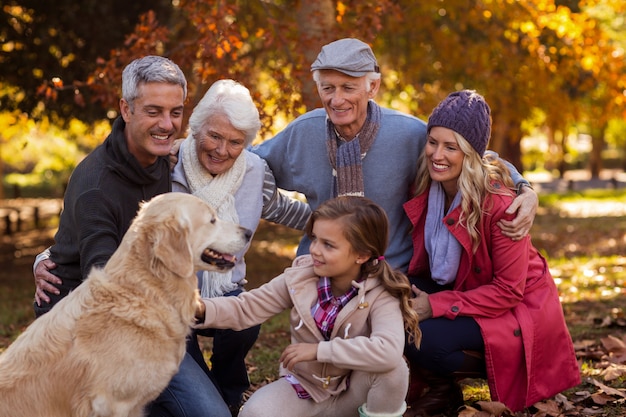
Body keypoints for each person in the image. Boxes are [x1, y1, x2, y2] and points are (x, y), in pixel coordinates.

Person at [31, 57, 234, 417]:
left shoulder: (162, 158)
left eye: (176, 112)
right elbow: (108, 290)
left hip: (153, 319)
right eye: (153, 111)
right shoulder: (96, 186)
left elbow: (235, 151)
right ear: (126, 108)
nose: (167, 124)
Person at [250, 38, 538, 274]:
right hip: (316, 268)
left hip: (390, 274)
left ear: (372, 87)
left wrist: (524, 188)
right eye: (328, 88)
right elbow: (250, 164)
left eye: (348, 87)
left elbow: (472, 154)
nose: (336, 100)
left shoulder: (409, 133)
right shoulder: (303, 132)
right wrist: (301, 218)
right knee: (306, 343)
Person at [402, 90, 580, 416]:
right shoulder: (429, 188)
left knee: (421, 337)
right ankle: (443, 390)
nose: (437, 154)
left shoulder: (499, 206)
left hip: (515, 310)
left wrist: (435, 305)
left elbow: (510, 290)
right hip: (467, 291)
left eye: (451, 147)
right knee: (392, 301)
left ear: (470, 153)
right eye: (432, 142)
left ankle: (467, 375)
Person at [151, 79, 311, 417]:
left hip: (225, 288)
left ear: (246, 143)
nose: (222, 150)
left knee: (245, 322)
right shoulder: (166, 165)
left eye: (235, 141)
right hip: (169, 295)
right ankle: (199, 391)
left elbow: (281, 208)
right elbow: (117, 215)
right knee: (192, 380)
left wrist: (335, 223)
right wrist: (49, 255)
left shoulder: (254, 171)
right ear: (196, 129)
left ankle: (229, 390)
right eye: (215, 136)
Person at [193, 196, 421, 417]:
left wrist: (318, 351)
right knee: (255, 413)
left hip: (355, 393)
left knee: (394, 370)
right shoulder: (300, 279)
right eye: (314, 239)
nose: (314, 250)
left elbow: (388, 350)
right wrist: (199, 308)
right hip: (305, 389)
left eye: (328, 245)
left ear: (362, 255)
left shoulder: (382, 293)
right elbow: (247, 307)